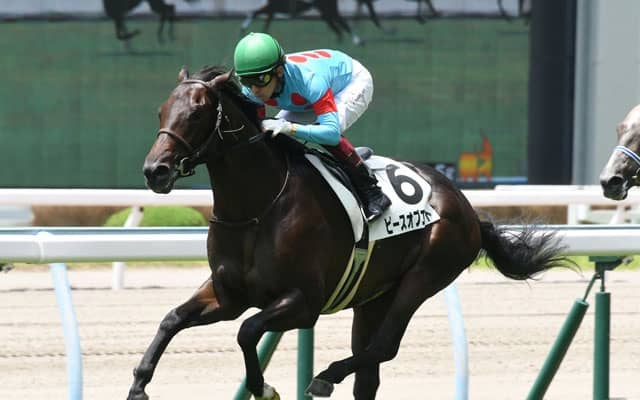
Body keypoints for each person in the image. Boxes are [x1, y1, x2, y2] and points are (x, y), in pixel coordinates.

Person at [233, 32, 391, 222]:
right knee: (271, 135)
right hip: (306, 98)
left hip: (350, 83)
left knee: (321, 132)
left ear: (279, 72)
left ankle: (373, 191)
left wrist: (290, 127)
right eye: (246, 81)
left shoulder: (310, 80)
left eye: (260, 80)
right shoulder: (252, 88)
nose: (254, 90)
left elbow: (331, 134)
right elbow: (259, 132)